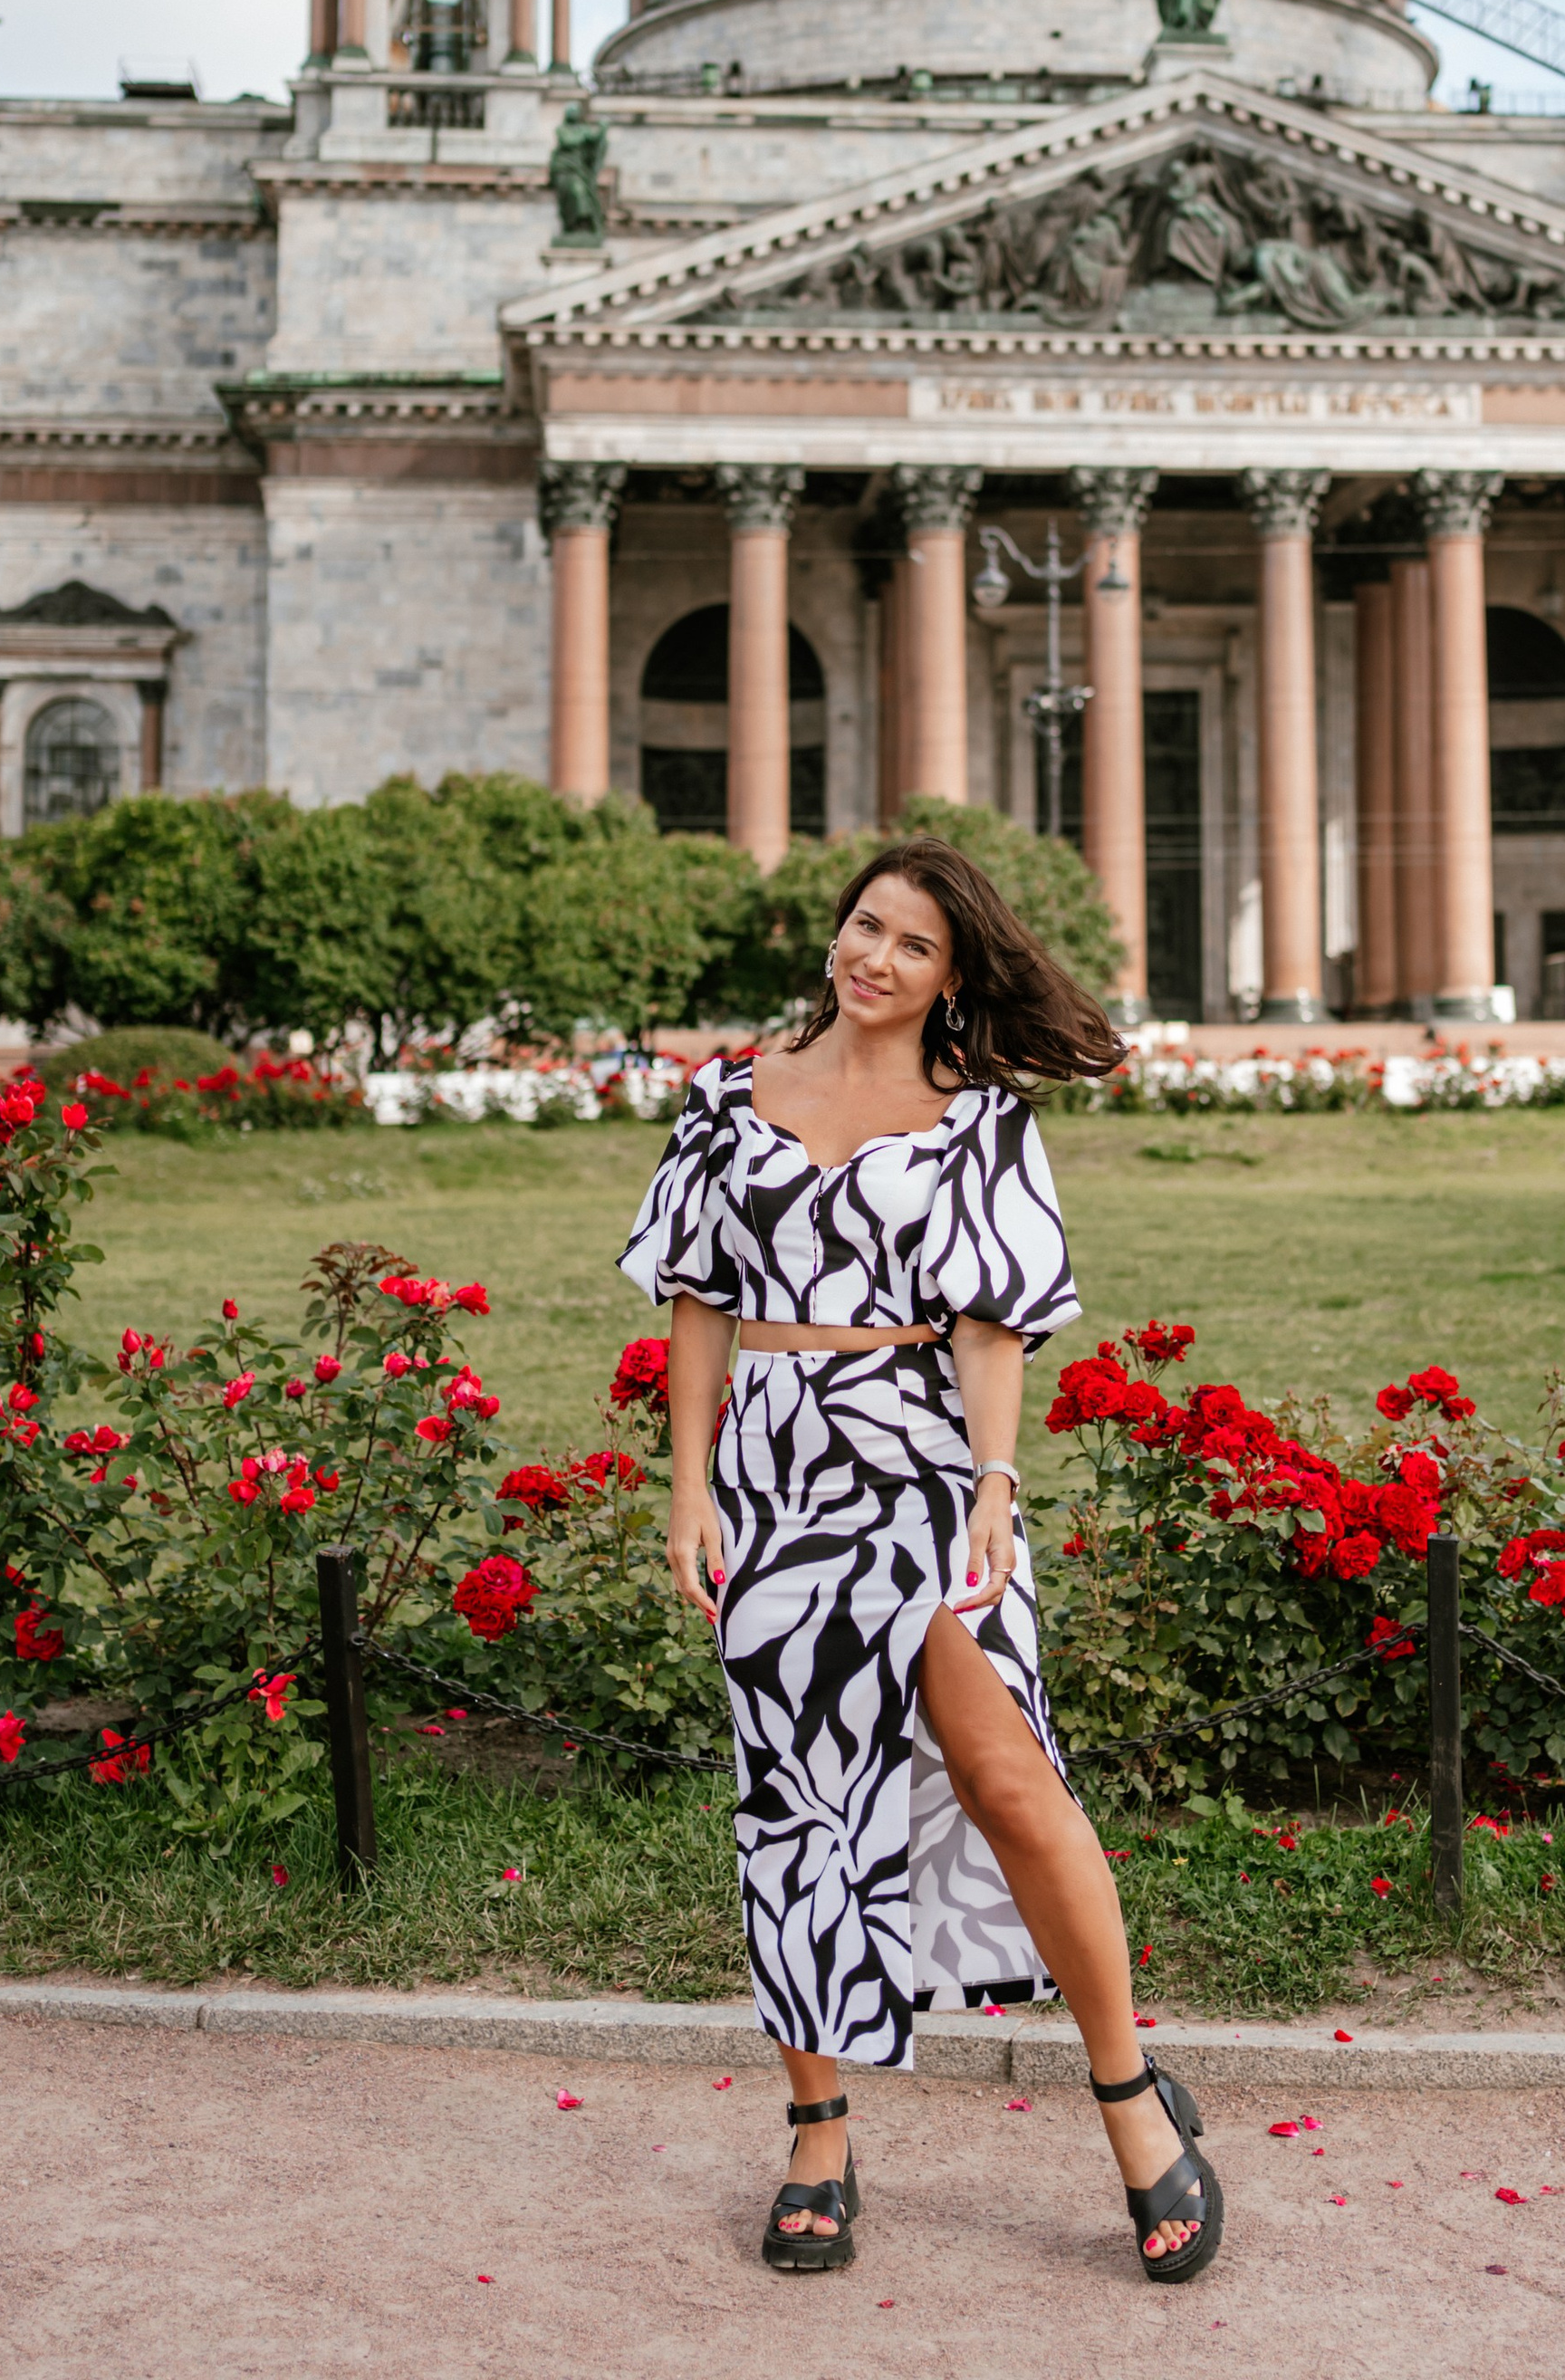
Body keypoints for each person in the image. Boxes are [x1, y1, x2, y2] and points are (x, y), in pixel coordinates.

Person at [619, 835, 1224, 2287]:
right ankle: (817, 2136)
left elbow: (992, 1323)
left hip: (921, 1461)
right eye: (864, 925)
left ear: (952, 979)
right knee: (797, 1806)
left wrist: (996, 1485)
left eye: (912, 946)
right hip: (774, 1472)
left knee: (1009, 1778)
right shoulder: (726, 1099)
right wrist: (689, 1487)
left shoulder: (981, 1121)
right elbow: (697, 1302)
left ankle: (1133, 2099)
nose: (874, 959)